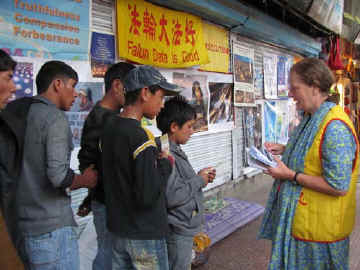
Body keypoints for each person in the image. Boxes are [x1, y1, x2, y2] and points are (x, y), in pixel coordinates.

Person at [258, 58, 359, 270]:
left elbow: (338, 186)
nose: (291, 95)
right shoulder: (312, 117)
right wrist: (286, 149)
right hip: (306, 225)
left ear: (314, 87)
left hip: (320, 234)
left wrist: (291, 175)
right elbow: (315, 151)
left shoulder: (335, 128)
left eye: (295, 88)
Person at [8, 61, 98, 270]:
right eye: (72, 86)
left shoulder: (20, 113)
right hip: (51, 229)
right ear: (58, 84)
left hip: (24, 225)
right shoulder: (54, 118)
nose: (76, 94)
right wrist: (84, 180)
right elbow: (58, 176)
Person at [101, 65, 180, 270]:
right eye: (161, 97)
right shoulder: (141, 136)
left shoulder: (109, 128)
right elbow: (148, 194)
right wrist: (165, 163)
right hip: (144, 233)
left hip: (118, 230)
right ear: (145, 92)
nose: (162, 105)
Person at [77, 62, 135, 270]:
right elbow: (93, 164)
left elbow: (93, 162)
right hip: (108, 203)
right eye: (133, 88)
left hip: (105, 200)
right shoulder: (105, 120)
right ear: (117, 86)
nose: (136, 96)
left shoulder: (107, 117)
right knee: (109, 255)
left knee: (110, 252)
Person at [156, 95, 216, 270]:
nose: (192, 131)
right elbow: (173, 195)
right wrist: (198, 180)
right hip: (177, 229)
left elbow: (177, 184)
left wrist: (200, 178)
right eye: (189, 126)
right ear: (174, 127)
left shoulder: (173, 149)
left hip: (183, 227)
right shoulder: (165, 154)